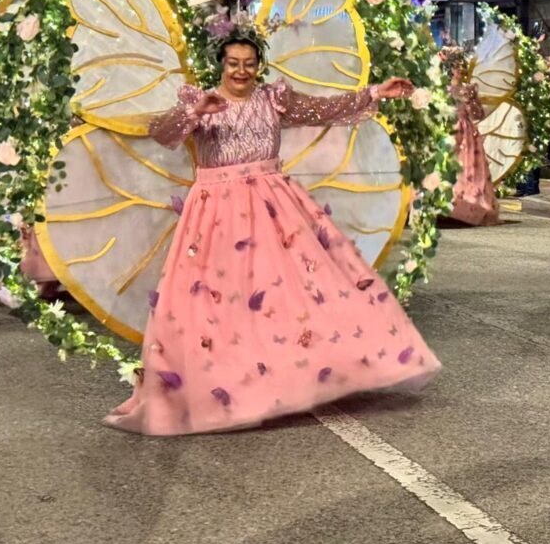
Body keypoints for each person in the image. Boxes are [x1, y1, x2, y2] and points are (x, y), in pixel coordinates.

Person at [105, 27, 440, 435]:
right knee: (217, 300)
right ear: (221, 66)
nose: (241, 72)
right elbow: (163, 133)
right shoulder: (199, 100)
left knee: (288, 293)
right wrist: (195, 113)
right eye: (233, 64)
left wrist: (374, 93)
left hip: (272, 204)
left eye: (249, 64)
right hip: (215, 211)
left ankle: (291, 372)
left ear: (259, 66)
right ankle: (227, 383)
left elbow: (323, 109)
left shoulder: (273, 99)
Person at [444, 48, 500, 226]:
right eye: (456, 66)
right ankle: (447, 203)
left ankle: (469, 204)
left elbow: (478, 114)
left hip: (467, 134)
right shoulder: (441, 89)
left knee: (469, 169)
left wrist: (471, 103)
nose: (460, 70)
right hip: (447, 131)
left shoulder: (469, 89)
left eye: (462, 66)